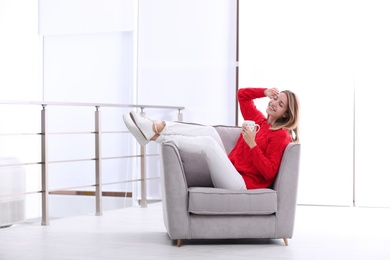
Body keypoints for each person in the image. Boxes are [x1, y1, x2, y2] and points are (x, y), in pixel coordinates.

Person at [123, 87, 299, 190]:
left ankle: (153, 136)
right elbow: (242, 95)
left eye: (280, 104)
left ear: (286, 115)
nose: (274, 103)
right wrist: (264, 91)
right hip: (230, 169)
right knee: (209, 132)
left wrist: (252, 144)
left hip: (242, 184)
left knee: (208, 144)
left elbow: (269, 172)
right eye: (275, 98)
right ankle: (155, 128)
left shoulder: (281, 135)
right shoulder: (259, 121)